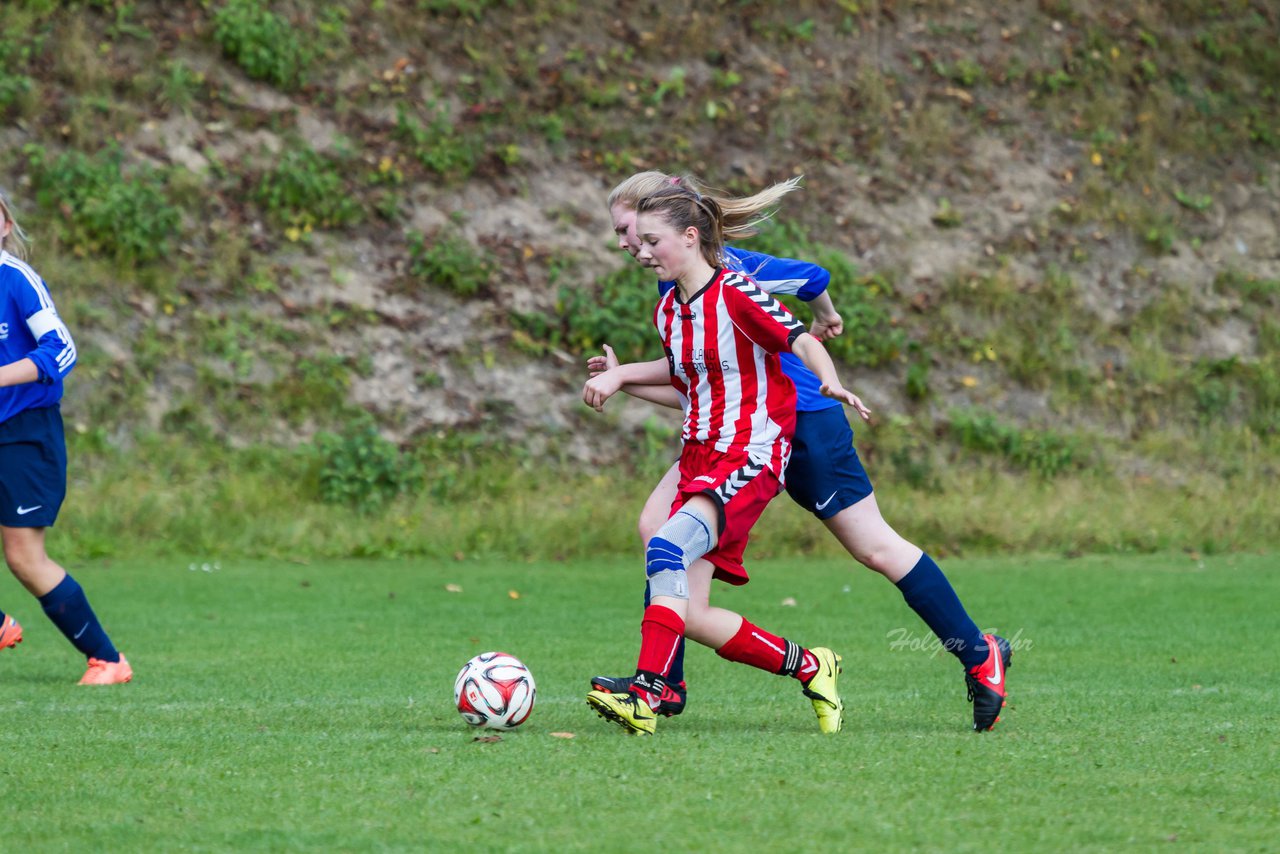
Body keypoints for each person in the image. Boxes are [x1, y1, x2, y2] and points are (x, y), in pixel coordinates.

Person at [587, 172, 1011, 731]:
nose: (628, 246)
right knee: (660, 536)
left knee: (875, 549)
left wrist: (828, 322)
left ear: (680, 228)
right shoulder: (673, 294)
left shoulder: (733, 275)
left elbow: (812, 280)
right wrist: (622, 379)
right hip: (724, 435)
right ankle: (662, 684)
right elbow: (696, 381)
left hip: (801, 423)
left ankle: (978, 654)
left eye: (631, 232)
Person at [583, 179, 871, 736]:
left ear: (690, 237)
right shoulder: (669, 313)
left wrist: (830, 381)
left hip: (750, 454)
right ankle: (812, 666)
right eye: (636, 242)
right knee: (690, 613)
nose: (640, 253)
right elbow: (685, 379)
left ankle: (649, 692)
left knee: (664, 545)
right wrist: (622, 378)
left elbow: (800, 340)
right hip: (699, 452)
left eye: (650, 241)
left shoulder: (737, 292)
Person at [0, 189, 132, 685]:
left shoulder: (17, 281)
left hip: (24, 434)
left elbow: (63, 351)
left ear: (6, 225)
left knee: (24, 558)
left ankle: (109, 661)